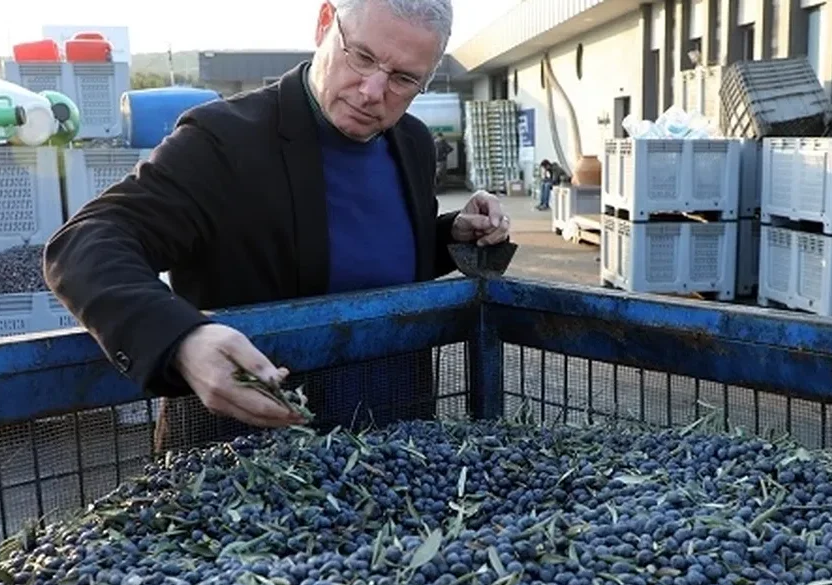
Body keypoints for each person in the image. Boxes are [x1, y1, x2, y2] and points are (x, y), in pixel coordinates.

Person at [42, 0, 511, 439]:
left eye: (404, 79)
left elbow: (369, 256)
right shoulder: (223, 140)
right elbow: (87, 241)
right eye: (362, 57)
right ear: (325, 22)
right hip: (249, 459)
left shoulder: (412, 142)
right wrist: (182, 339)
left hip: (390, 438)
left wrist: (449, 234)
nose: (372, 92)